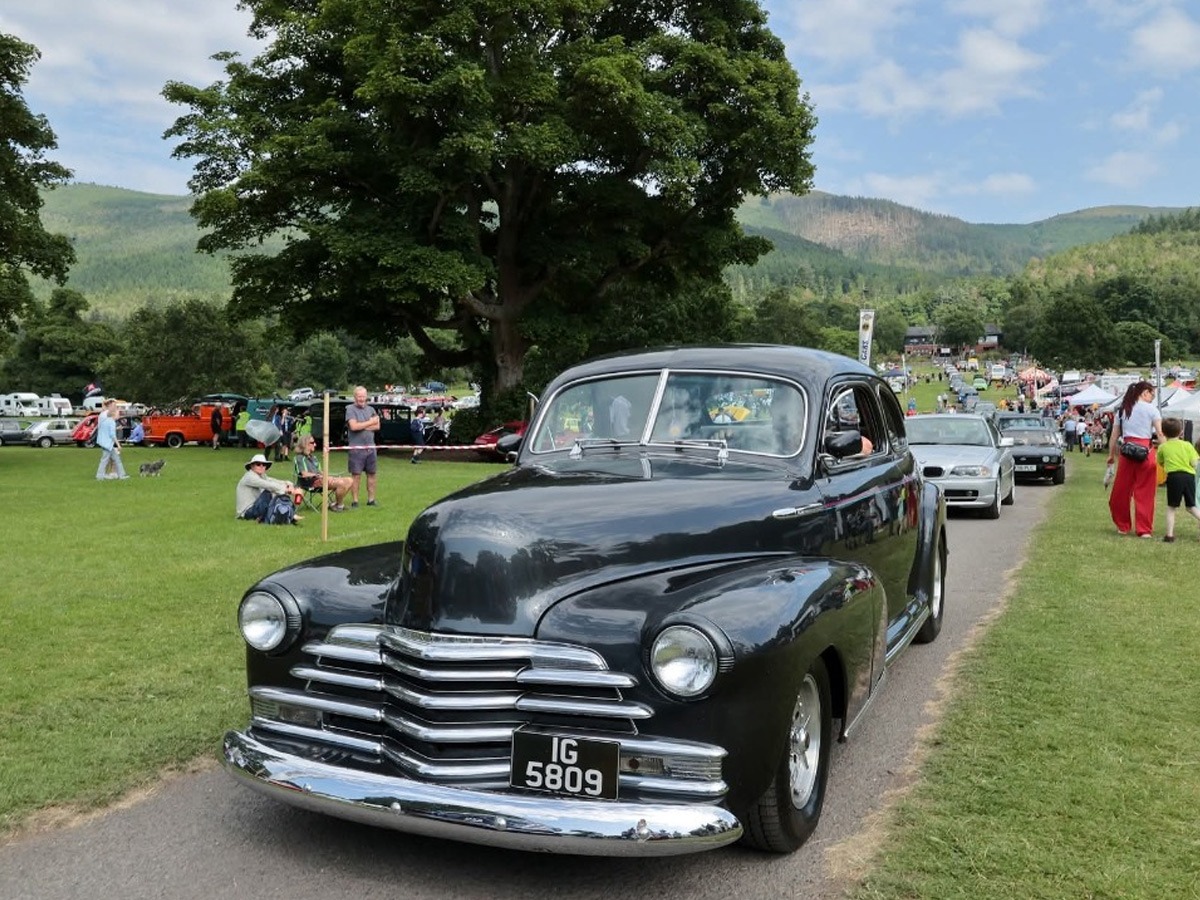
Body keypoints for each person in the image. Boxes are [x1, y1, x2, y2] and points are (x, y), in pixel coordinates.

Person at [1106, 381, 1162, 538]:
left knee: (1121, 491)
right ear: (1145, 393)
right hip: (1146, 452)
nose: (1152, 398)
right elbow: (1160, 433)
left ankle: (1123, 526)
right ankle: (1144, 529)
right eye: (1152, 394)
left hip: (1127, 452)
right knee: (1145, 492)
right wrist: (1165, 453)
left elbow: (1114, 436)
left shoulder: (1123, 410)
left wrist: (1111, 455)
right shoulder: (1152, 410)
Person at [1157, 417, 1200, 543]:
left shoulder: (1163, 447)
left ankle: (1169, 535)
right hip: (1189, 476)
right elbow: (1194, 462)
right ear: (1181, 432)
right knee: (1191, 506)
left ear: (1163, 433)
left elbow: (1160, 461)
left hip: (1174, 477)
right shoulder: (1187, 445)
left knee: (1172, 507)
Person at [235, 453, 301, 522]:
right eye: (258, 464)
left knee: (273, 492)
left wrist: (287, 484)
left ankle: (286, 513)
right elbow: (268, 485)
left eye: (264, 465)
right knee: (268, 492)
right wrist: (287, 490)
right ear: (252, 466)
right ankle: (287, 514)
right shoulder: (250, 477)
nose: (261, 466)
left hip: (255, 507)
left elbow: (272, 481)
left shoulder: (261, 476)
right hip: (246, 513)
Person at [293, 434, 352, 511]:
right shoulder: (299, 458)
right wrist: (319, 476)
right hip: (310, 483)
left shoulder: (313, 458)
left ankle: (335, 504)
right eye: (312, 442)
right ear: (305, 444)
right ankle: (339, 505)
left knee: (350, 480)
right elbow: (304, 474)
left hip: (321, 479)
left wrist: (328, 475)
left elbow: (320, 471)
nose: (315, 444)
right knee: (341, 483)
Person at [346, 385, 380, 505]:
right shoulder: (350, 409)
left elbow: (377, 426)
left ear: (366, 397)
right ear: (355, 397)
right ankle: (355, 501)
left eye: (363, 396)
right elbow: (353, 427)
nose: (361, 399)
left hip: (371, 447)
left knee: (372, 474)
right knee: (356, 475)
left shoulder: (371, 409)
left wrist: (362, 425)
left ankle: (371, 500)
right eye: (359, 396)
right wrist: (370, 422)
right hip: (356, 448)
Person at [94, 398, 129, 480]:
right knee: (106, 460)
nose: (119, 416)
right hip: (107, 444)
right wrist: (118, 445)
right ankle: (100, 476)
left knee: (116, 459)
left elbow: (108, 430)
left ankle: (121, 475)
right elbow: (112, 435)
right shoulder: (108, 418)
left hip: (106, 443)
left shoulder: (107, 419)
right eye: (118, 414)